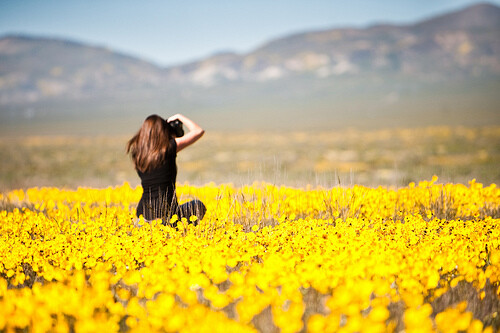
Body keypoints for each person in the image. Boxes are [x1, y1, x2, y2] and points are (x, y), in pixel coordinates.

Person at [127, 114, 206, 227]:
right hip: (167, 216)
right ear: (162, 130)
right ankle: (179, 234)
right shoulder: (168, 149)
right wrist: (179, 116)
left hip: (143, 217)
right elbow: (198, 131)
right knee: (198, 206)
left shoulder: (138, 153)